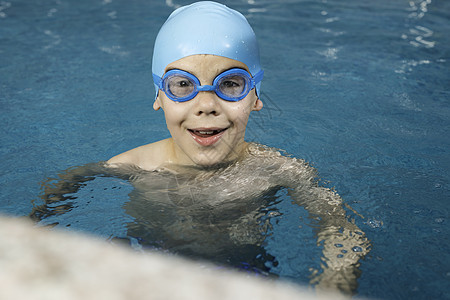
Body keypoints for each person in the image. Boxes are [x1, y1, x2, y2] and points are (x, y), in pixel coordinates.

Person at [31, 1, 370, 295]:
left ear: (255, 96)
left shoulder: (277, 170)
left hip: (243, 274)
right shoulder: (134, 165)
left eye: (230, 84)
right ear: (158, 96)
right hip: (145, 271)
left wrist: (333, 277)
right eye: (182, 85)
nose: (206, 105)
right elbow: (73, 180)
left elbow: (339, 228)